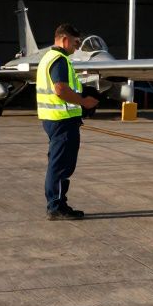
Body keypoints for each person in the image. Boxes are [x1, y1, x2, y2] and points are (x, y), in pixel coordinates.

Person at [35, 24, 99, 220]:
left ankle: (57, 203)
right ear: (64, 40)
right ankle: (56, 206)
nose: (77, 47)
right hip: (62, 121)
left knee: (57, 163)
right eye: (76, 42)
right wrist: (84, 101)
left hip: (55, 119)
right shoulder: (59, 60)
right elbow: (60, 89)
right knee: (61, 165)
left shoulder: (48, 58)